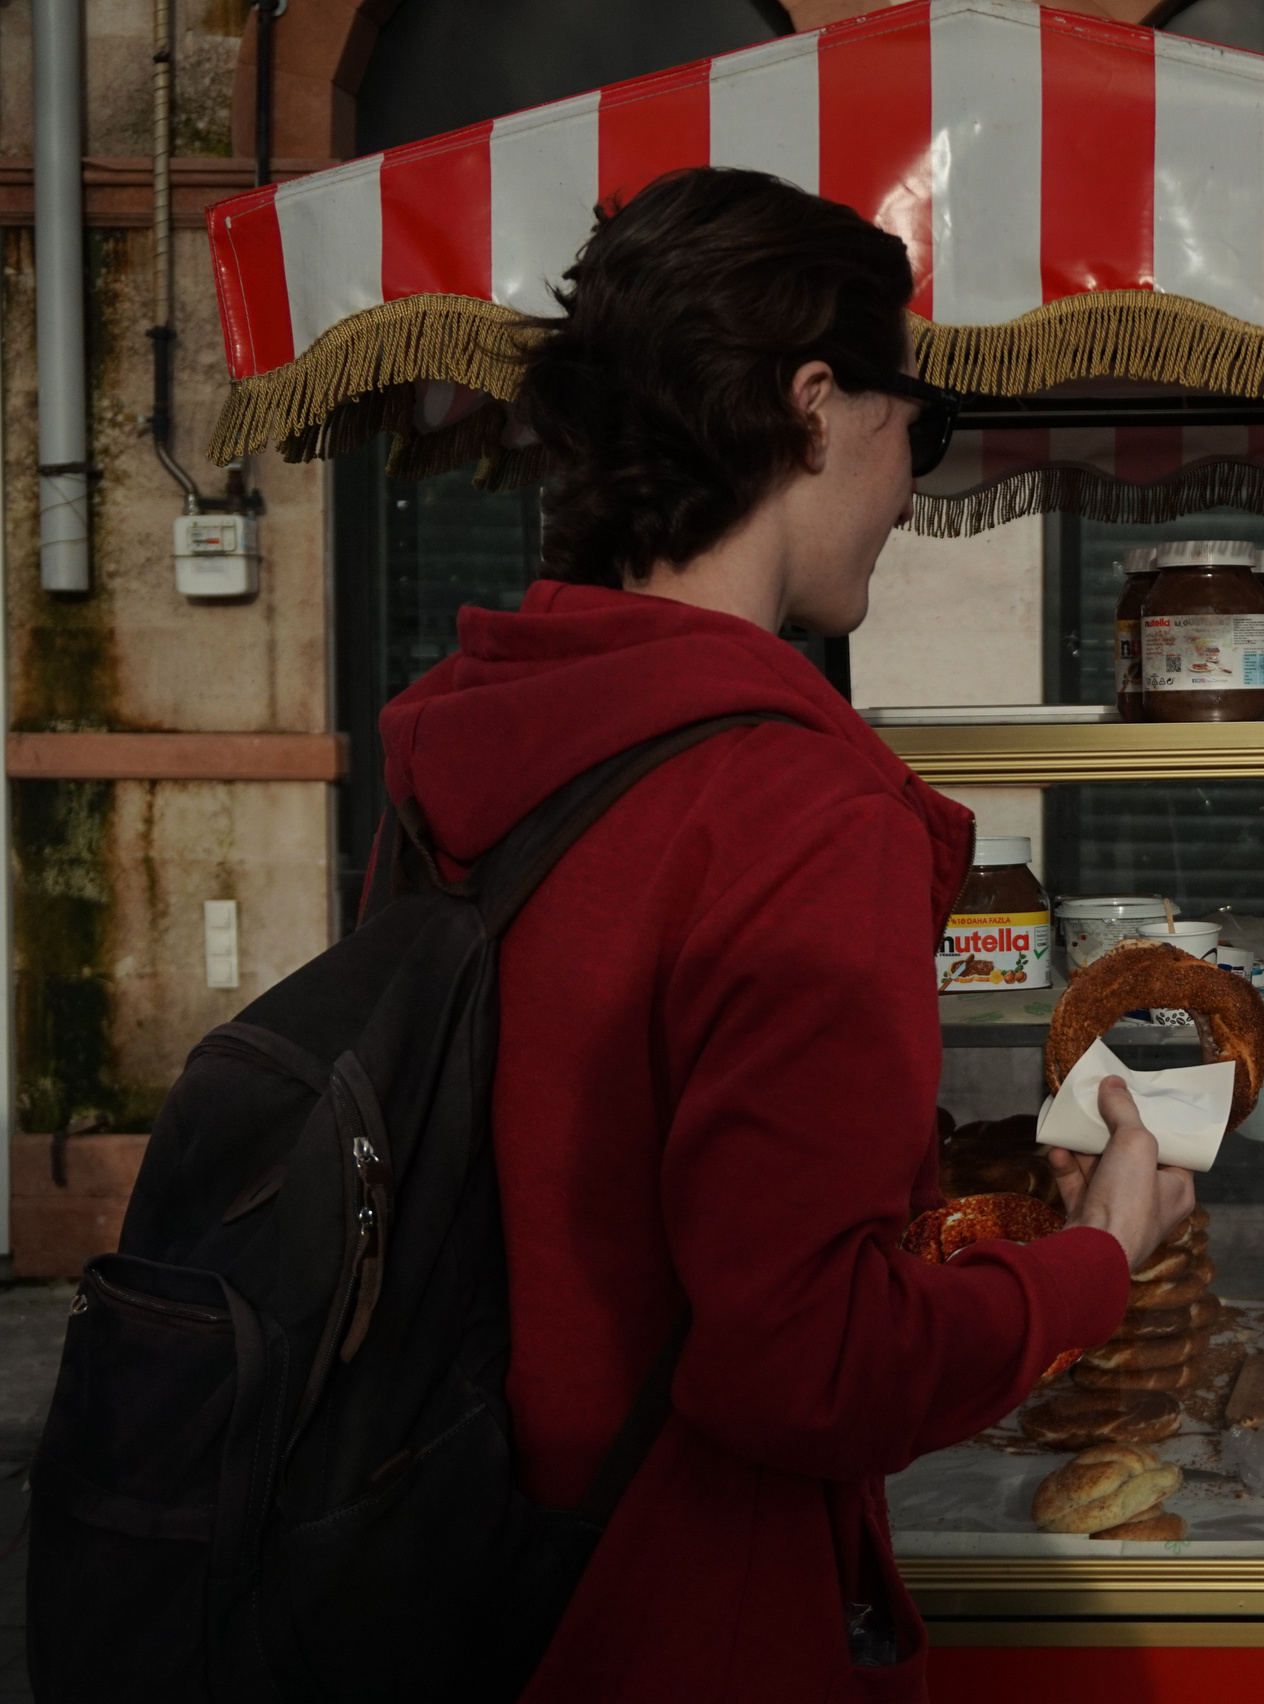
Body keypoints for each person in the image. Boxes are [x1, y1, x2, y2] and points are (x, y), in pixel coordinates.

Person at [374, 168, 1194, 1698]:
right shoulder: (800, 808)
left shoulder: (465, 738)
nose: (909, 487)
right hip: (679, 1609)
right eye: (917, 427)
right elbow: (803, 1364)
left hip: (443, 1573)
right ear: (815, 406)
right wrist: (1094, 1259)